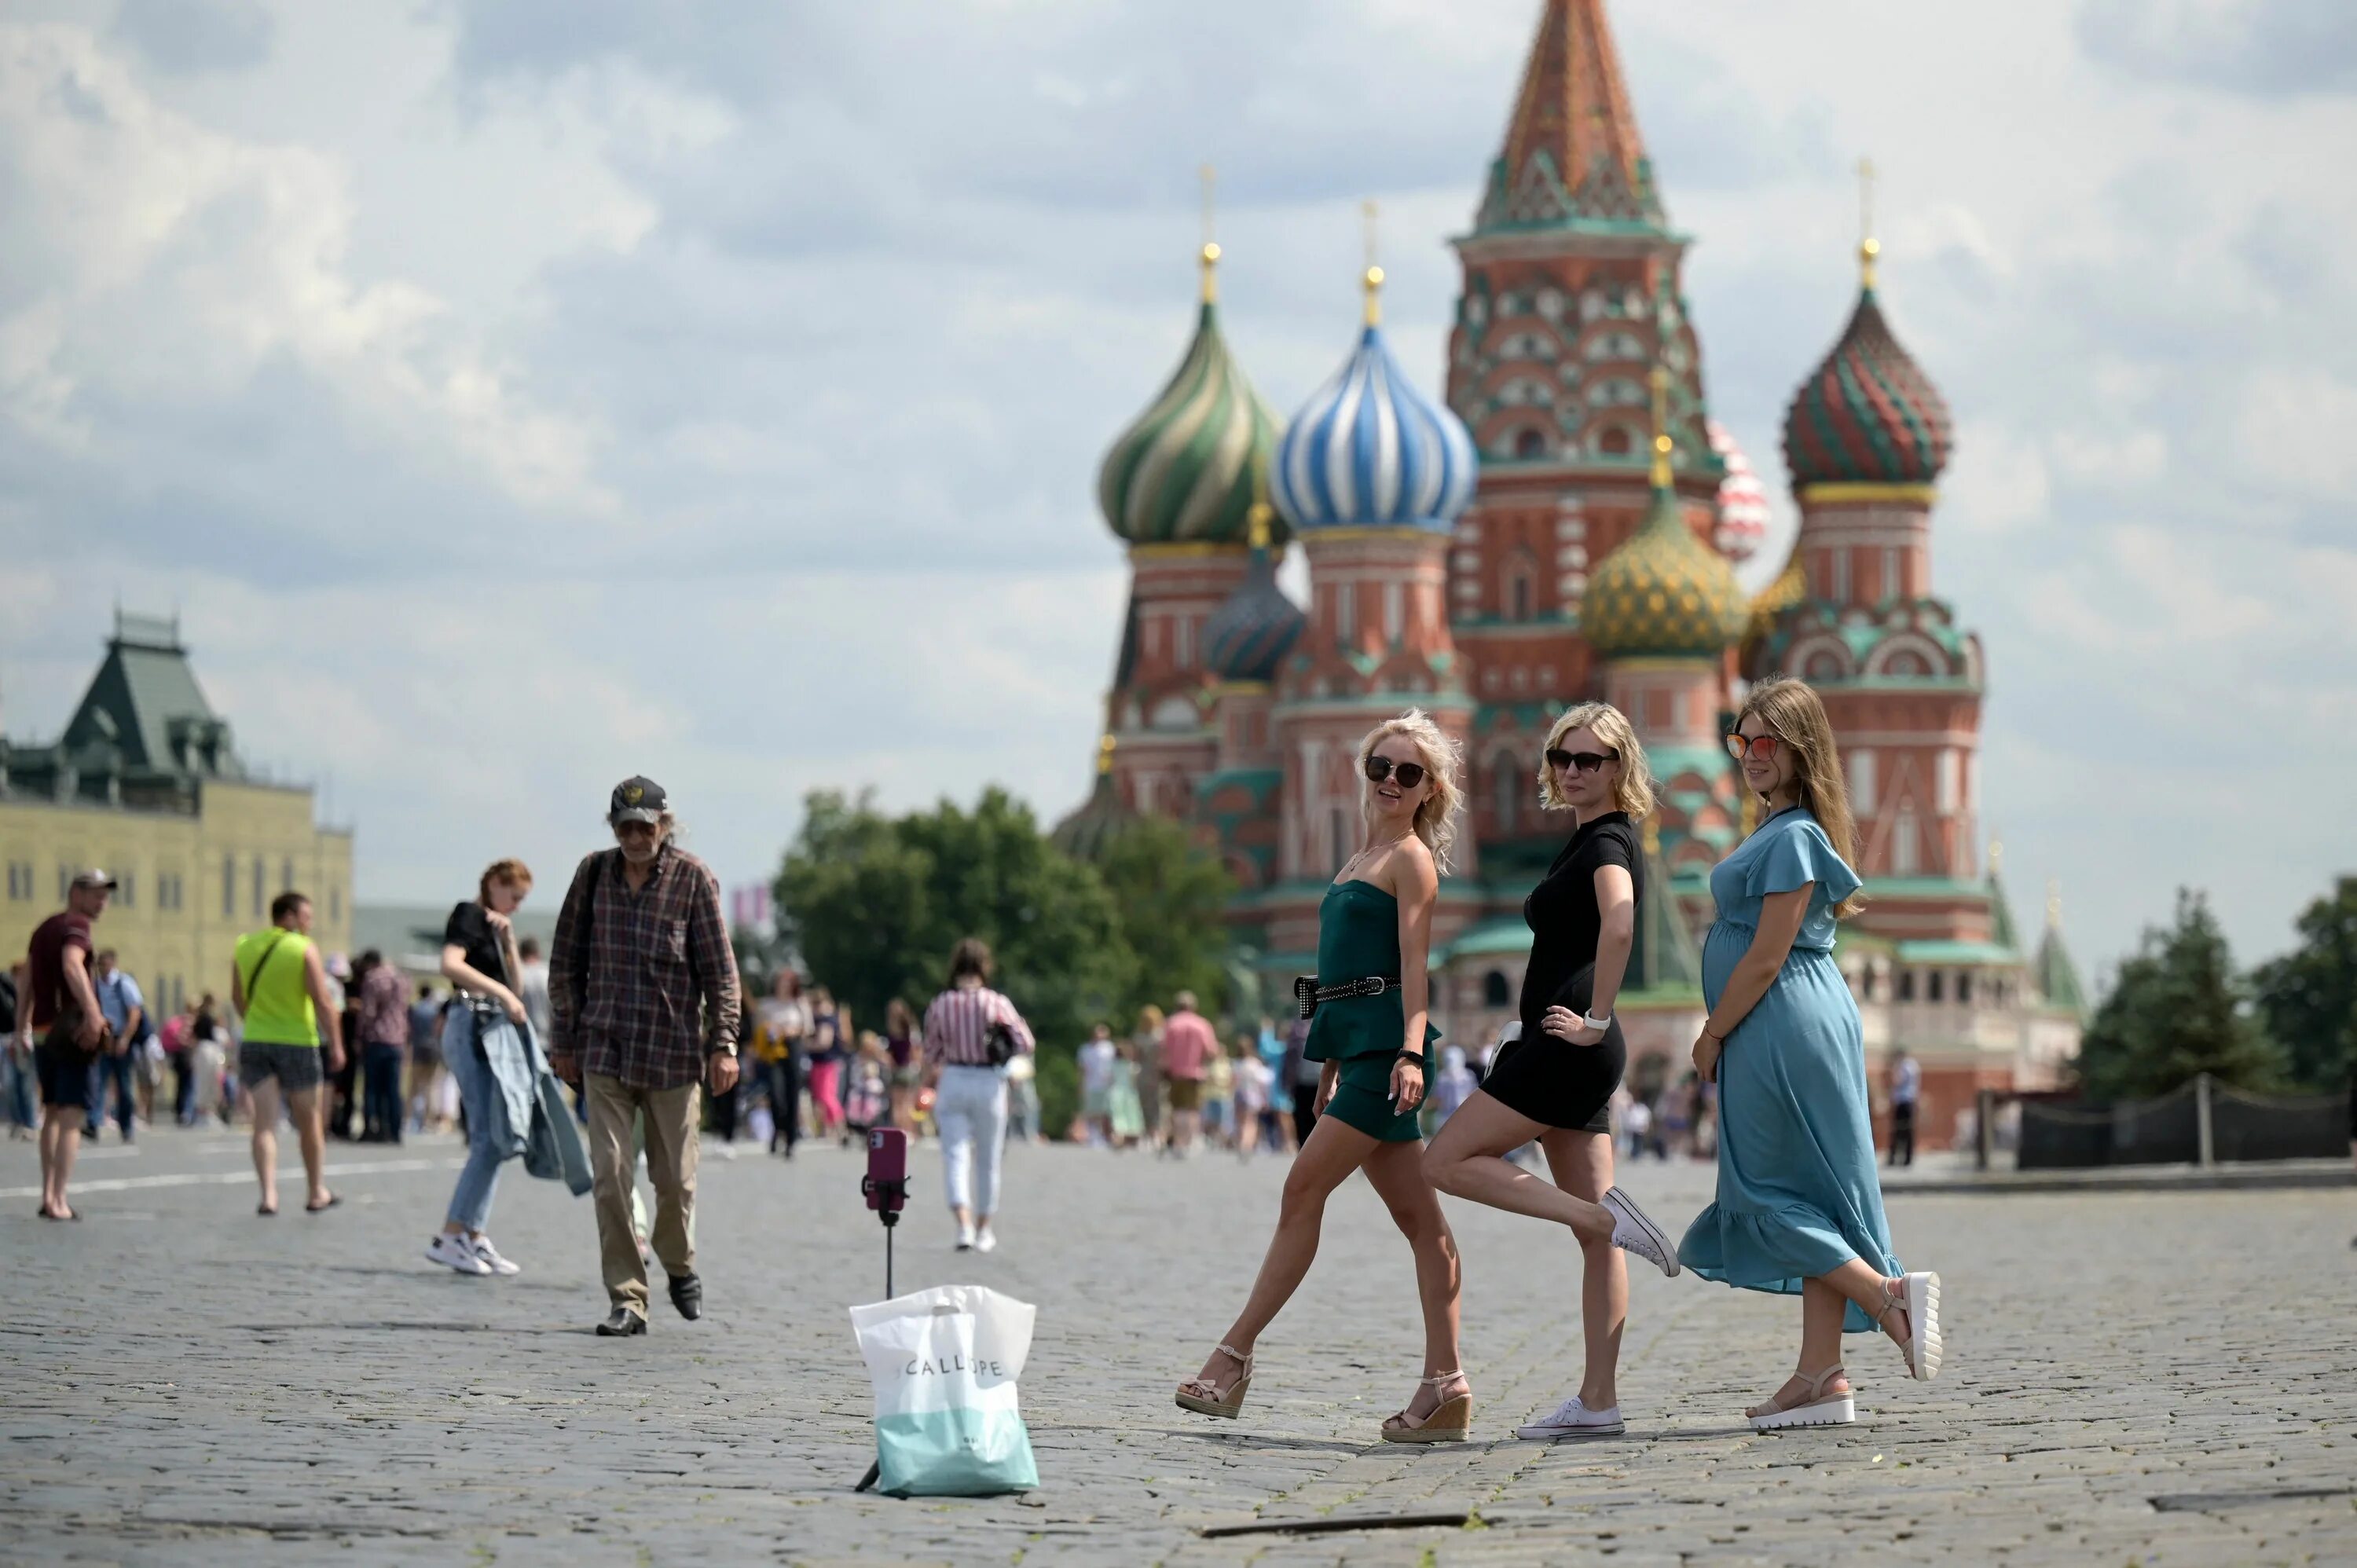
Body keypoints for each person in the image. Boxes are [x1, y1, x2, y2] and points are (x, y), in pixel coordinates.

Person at [1178, 711, 1473, 1443]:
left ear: (1429, 788)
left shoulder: (1410, 859)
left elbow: (1412, 969)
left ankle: (1233, 1358)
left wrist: (1409, 1054)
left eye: (1408, 773)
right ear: (1364, 773)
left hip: (1389, 1054)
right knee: (1422, 1225)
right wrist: (1330, 1065)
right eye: (1381, 768)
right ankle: (1447, 1385)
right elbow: (1344, 974)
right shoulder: (1355, 859)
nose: (1391, 782)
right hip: (1355, 1052)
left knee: (1302, 1185)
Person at [1679, 676, 1945, 1430]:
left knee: (1762, 1191)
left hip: (1776, 1020)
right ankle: (1821, 1376)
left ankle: (1884, 1295)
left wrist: (1713, 1031)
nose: (1751, 755)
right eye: (1742, 740)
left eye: (1767, 742)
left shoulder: (1794, 835)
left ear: (1799, 748)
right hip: (1787, 1017)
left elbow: (1766, 955)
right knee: (1814, 1191)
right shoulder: (1779, 827)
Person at [1421, 702, 1684, 1443]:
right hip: (1575, 1045)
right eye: (1564, 758)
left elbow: (1623, 919)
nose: (1574, 770)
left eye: (1591, 760)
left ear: (1619, 768)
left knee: (1446, 1159)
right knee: (1598, 1246)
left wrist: (1597, 1015)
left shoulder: (1605, 838)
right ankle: (1598, 1402)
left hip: (1569, 1044)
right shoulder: (1590, 837)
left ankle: (1602, 1214)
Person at [547, 777, 742, 1337]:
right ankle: (628, 1298)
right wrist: (565, 1041)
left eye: (646, 826)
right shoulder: (592, 875)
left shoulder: (693, 880)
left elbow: (721, 974)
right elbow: (565, 964)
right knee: (609, 1176)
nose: (636, 836)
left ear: (665, 825)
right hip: (604, 1048)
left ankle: (679, 1263)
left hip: (673, 1056)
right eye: (625, 826)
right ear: (613, 827)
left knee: (675, 1183)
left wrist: (723, 1043)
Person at [231, 890, 348, 1216]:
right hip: (298, 1041)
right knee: (309, 1121)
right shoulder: (303, 948)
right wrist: (337, 1043)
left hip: (256, 1039)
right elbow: (324, 1001)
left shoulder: (245, 945)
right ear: (290, 916)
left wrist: (257, 1022)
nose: (310, 924)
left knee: (263, 1123)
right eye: (307, 917)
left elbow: (238, 998)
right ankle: (315, 1191)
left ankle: (269, 1195)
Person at [918, 937, 1036, 1253]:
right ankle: (985, 1229)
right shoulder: (995, 1002)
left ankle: (963, 1225)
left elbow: (931, 1052)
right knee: (988, 1159)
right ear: (985, 966)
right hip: (987, 1080)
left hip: (954, 1077)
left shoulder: (941, 1004)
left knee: (955, 1155)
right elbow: (1026, 1042)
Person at [13, 870, 116, 1219]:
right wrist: (93, 1014)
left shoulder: (43, 928)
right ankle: (59, 1199)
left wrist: (21, 1027)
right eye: (96, 895)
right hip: (71, 1032)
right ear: (76, 893)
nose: (102, 902)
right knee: (72, 1115)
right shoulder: (77, 927)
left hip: (44, 1031)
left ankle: (47, 1194)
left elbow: (26, 981)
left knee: (53, 1112)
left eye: (105, 895)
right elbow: (72, 966)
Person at [86, 948, 145, 1142]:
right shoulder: (95, 985)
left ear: (112, 963)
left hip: (121, 1039)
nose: (101, 968)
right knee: (98, 1083)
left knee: (125, 1086)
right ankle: (93, 1123)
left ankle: (126, 1126)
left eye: (103, 964)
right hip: (103, 1039)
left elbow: (134, 1013)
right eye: (98, 964)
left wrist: (125, 1038)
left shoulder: (124, 984)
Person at [750, 971, 809, 1157]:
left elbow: (808, 1028)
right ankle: (778, 1128)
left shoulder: (799, 1003)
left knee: (792, 1092)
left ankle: (791, 1139)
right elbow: (758, 1029)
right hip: (772, 1050)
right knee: (776, 1094)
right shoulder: (766, 1005)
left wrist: (792, 1030)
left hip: (792, 1047)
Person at [354, 951, 411, 1144]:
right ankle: (395, 1131)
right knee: (393, 1089)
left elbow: (368, 1012)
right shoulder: (402, 978)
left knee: (372, 1088)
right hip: (397, 1039)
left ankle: (372, 1128)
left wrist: (359, 1035)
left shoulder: (373, 978)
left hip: (377, 1037)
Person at [1160, 992, 1216, 1154]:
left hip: (1175, 1073)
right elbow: (1211, 1051)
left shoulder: (1171, 1023)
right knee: (1192, 1109)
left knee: (1177, 1108)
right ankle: (1189, 1141)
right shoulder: (1202, 1025)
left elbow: (1163, 1050)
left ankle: (1178, 1141)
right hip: (1195, 1073)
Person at [805, 988, 847, 1141]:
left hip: (826, 1063)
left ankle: (840, 1126)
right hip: (819, 1063)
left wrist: (804, 1044)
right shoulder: (825, 1019)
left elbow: (823, 1043)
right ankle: (828, 1128)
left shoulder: (826, 1020)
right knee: (820, 1097)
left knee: (826, 1096)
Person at [407, 983, 446, 1134]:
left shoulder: (416, 1009)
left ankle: (408, 1119)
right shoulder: (434, 1010)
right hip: (433, 1048)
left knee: (414, 1086)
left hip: (418, 1048)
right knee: (430, 1086)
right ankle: (426, 1120)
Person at [884, 997, 921, 1136]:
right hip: (909, 1069)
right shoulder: (911, 1030)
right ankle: (909, 1132)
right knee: (908, 1104)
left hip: (897, 1070)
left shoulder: (892, 1031)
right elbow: (915, 1051)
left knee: (897, 1105)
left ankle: (899, 1132)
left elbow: (890, 1057)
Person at [1132, 1005, 1167, 1153]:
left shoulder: (1139, 1036)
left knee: (1145, 1106)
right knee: (1159, 1106)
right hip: (1158, 1074)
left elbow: (1136, 1058)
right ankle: (1158, 1136)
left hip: (1144, 1074)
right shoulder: (1161, 1035)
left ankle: (1148, 1135)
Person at [1232, 1037, 1271, 1162]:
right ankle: (1246, 1145)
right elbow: (1263, 1082)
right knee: (1251, 1123)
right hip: (1253, 1096)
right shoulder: (1254, 1064)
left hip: (1239, 1096)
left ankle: (1241, 1144)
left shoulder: (1236, 1064)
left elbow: (1232, 1082)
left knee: (1241, 1123)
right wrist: (1265, 1098)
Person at [1078, 1023, 1117, 1147]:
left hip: (1105, 1085)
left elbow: (1114, 1067)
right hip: (1091, 1084)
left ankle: (1104, 1135)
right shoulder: (1085, 1049)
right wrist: (1081, 1084)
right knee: (1092, 1111)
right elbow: (1082, 1069)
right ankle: (1093, 1135)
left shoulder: (1109, 1048)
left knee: (1105, 1112)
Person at [845, 1031, 891, 1135]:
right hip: (858, 1089)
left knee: (873, 1101)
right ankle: (856, 1126)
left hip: (874, 1092)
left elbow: (885, 1078)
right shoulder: (855, 1060)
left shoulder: (879, 1061)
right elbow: (853, 1078)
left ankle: (870, 1124)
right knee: (855, 1098)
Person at [1107, 1039, 1145, 1149]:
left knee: (1118, 1117)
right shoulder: (1132, 1066)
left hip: (1115, 1092)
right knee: (1132, 1116)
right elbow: (1134, 1081)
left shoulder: (1113, 1065)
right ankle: (1133, 1139)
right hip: (1128, 1093)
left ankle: (1118, 1138)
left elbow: (1109, 1079)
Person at [1886, 1048, 1919, 1167]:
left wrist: (1893, 1070)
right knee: (1906, 1130)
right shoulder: (1913, 1065)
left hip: (1903, 1101)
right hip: (1908, 1101)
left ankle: (1895, 1157)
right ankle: (1906, 1158)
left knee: (1900, 1129)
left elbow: (1898, 1081)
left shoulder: (1904, 1066)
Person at [516, 936, 553, 1043]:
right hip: (548, 1039)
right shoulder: (548, 973)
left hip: (523, 1039)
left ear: (520, 953)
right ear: (538, 952)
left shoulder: (517, 976)